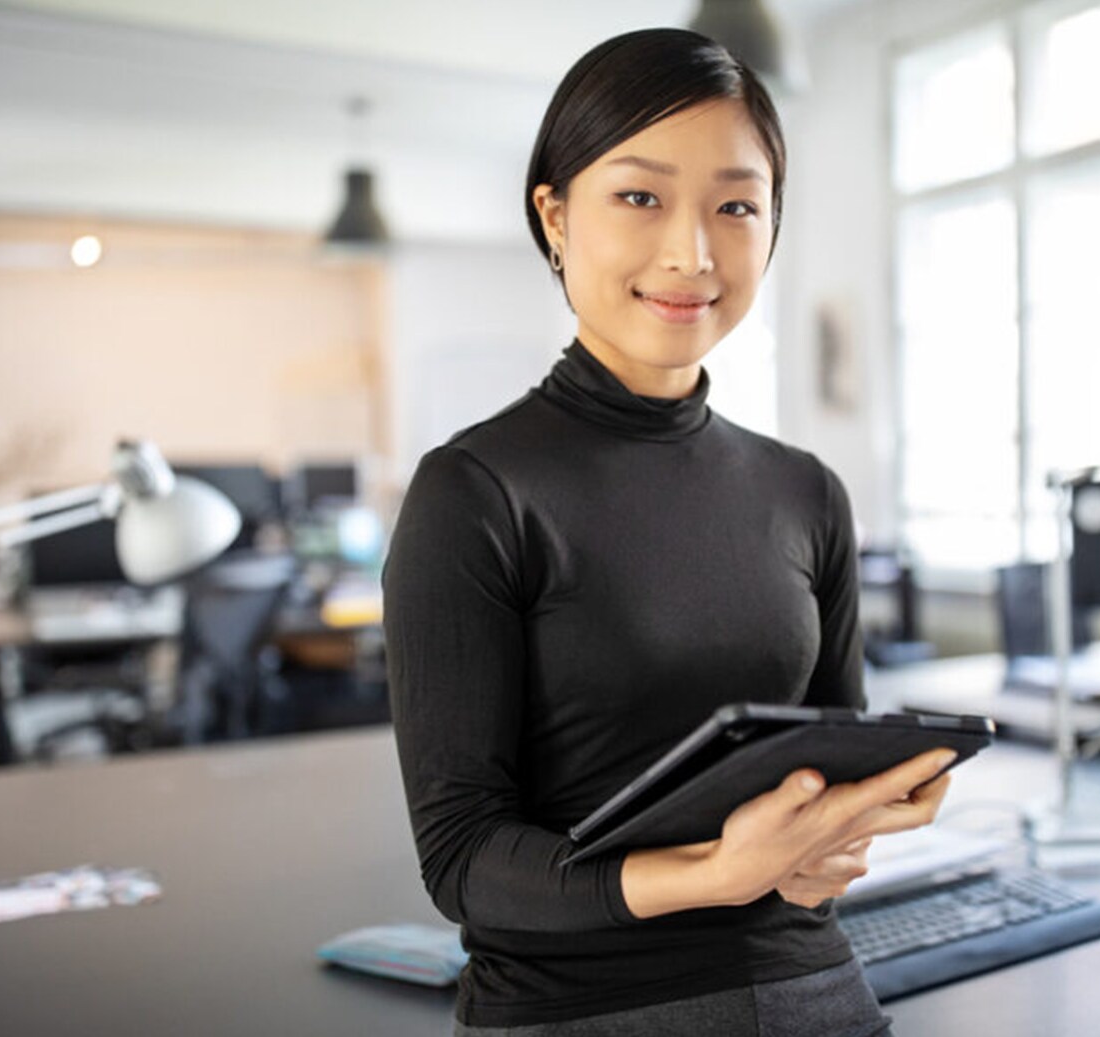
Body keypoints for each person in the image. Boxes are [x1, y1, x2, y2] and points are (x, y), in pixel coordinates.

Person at [382, 27, 953, 1036]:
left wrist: (843, 838)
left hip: (811, 986)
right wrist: (714, 872)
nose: (692, 251)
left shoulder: (807, 492)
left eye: (736, 205)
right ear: (554, 214)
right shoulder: (473, 492)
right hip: (578, 1006)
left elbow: (828, 788)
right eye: (640, 196)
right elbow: (464, 859)